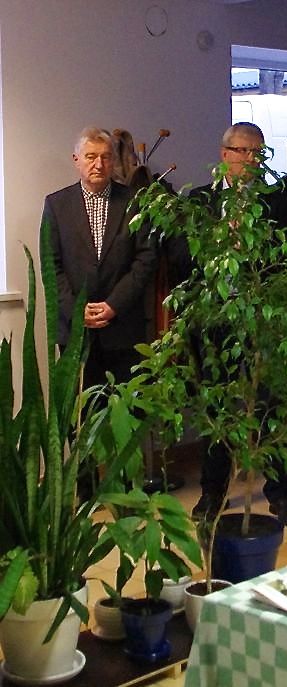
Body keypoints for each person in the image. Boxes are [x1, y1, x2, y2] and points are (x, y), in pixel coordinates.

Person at [180, 122, 287, 526]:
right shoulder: (201, 201)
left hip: (264, 321)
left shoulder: (277, 200)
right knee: (217, 408)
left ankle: (279, 493)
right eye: (243, 151)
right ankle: (213, 493)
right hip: (215, 320)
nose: (251, 160)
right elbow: (184, 260)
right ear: (224, 154)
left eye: (257, 153)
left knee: (272, 405)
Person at [44, 127, 157, 495]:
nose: (98, 164)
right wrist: (77, 311)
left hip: (122, 326)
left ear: (114, 161)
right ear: (76, 160)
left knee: (125, 411)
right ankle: (86, 488)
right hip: (75, 330)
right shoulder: (56, 205)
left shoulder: (135, 202)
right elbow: (51, 265)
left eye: (106, 157)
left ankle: (124, 488)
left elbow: (145, 260)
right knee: (80, 413)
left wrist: (113, 305)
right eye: (91, 157)